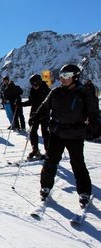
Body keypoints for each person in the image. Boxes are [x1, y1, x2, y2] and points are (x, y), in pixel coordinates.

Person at [30, 64, 99, 207]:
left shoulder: (83, 93)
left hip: (75, 133)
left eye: (66, 76)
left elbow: (93, 112)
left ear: (75, 77)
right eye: (61, 75)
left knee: (78, 163)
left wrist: (94, 128)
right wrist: (36, 116)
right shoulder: (56, 92)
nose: (62, 79)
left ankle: (84, 192)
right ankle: (46, 186)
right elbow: (44, 106)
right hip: (57, 132)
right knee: (50, 161)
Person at [20, 74, 51, 160]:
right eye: (32, 84)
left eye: (35, 84)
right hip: (34, 114)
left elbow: (50, 104)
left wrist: (45, 113)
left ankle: (48, 151)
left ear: (39, 82)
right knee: (33, 132)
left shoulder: (47, 90)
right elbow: (31, 102)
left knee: (45, 133)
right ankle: (35, 150)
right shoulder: (32, 90)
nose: (34, 86)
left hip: (44, 114)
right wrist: (21, 104)